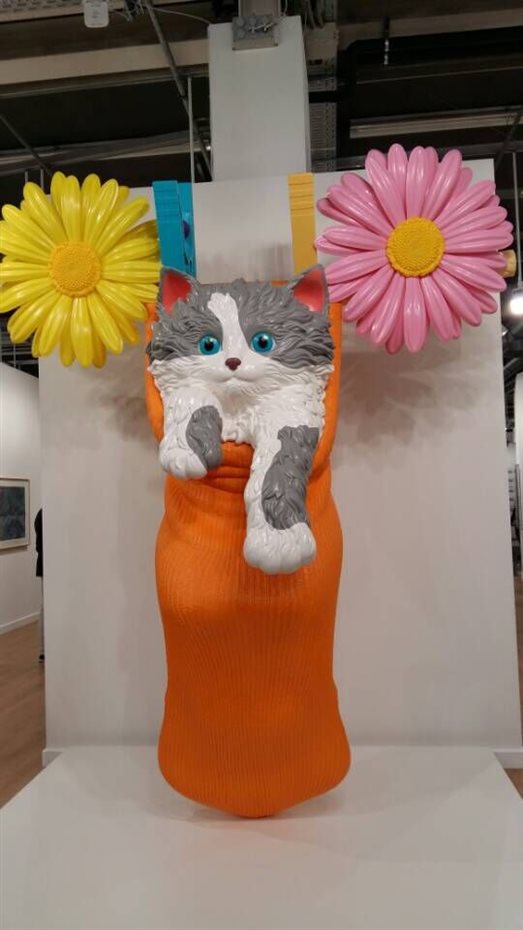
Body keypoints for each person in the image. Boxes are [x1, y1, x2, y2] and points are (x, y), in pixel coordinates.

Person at [34, 509, 44, 662]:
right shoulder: (43, 514)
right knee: (46, 606)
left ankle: (44, 649)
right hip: (47, 565)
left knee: (45, 606)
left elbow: (38, 546)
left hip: (44, 564)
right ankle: (44, 649)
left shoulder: (40, 514)